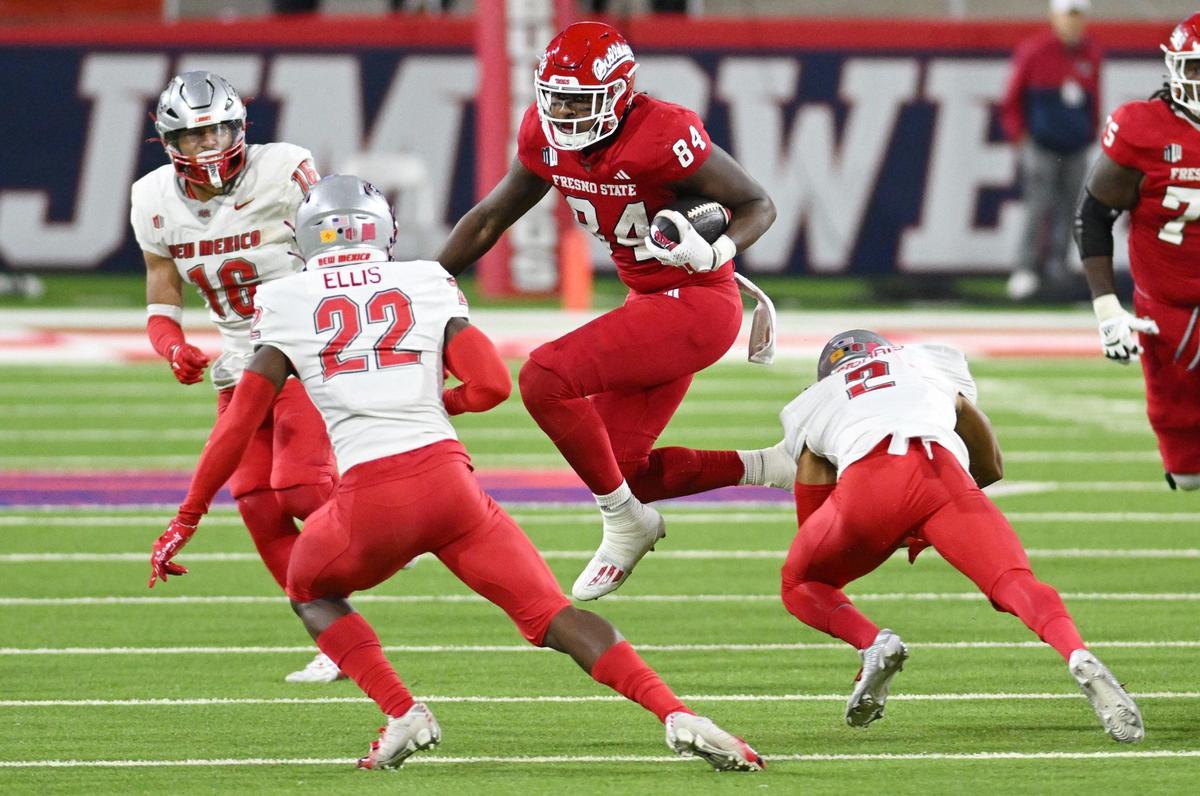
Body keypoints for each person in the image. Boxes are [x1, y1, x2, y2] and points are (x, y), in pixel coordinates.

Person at [145, 175, 765, 772]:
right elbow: (492, 385)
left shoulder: (284, 299)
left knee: (310, 590)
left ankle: (402, 710)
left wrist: (187, 517)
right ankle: (678, 713)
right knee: (551, 614)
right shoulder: (425, 279)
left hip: (371, 499)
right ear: (383, 230)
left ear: (304, 238)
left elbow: (237, 426)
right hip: (452, 488)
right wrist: (442, 402)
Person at [437, 21, 790, 602]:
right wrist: (428, 280)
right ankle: (770, 465)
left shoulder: (663, 133)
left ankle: (624, 522)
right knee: (620, 465)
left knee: (545, 375)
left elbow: (758, 203)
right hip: (650, 303)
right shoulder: (544, 138)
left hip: (697, 301)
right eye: (558, 98)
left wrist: (719, 247)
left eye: (581, 99)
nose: (567, 112)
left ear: (620, 92)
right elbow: (488, 218)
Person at [776, 330, 1143, 743]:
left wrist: (893, 529)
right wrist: (931, 522)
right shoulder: (925, 364)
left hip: (870, 481)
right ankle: (1076, 652)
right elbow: (991, 466)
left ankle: (873, 643)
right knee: (1014, 582)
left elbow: (815, 530)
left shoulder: (816, 400)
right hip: (944, 475)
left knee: (801, 582)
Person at [130, 71, 343, 684]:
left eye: (219, 129)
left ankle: (383, 525)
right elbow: (162, 286)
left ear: (240, 126)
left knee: (301, 485)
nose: (209, 145)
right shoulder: (153, 198)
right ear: (170, 140)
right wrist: (170, 346)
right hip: (238, 362)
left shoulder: (285, 169)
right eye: (194, 136)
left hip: (305, 345)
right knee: (255, 503)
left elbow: (346, 239)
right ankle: (336, 640)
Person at [1075, 13, 1200, 492]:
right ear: (1174, 70)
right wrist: (1108, 308)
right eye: (1196, 68)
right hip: (1165, 308)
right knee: (1188, 475)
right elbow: (1092, 215)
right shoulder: (1144, 129)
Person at [1000, 0, 1102, 301]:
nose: (1074, 23)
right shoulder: (1034, 50)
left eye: (1078, 16)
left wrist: (1090, 132)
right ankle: (1025, 269)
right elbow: (1012, 97)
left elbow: (1093, 98)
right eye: (1069, 16)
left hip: (1074, 146)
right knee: (1037, 206)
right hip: (1041, 144)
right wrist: (1019, 136)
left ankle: (1058, 267)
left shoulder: (1091, 52)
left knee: (1071, 210)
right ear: (1055, 17)